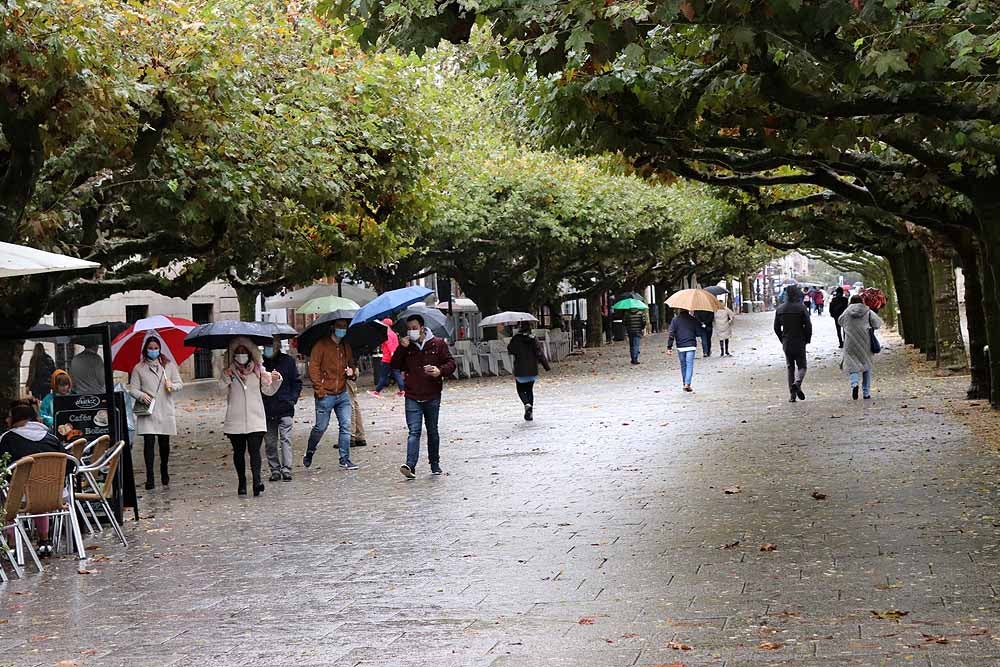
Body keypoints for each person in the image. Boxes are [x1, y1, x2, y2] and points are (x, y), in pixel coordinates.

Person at [391, 313, 456, 479]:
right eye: (409, 329)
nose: (411, 331)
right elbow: (395, 365)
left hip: (432, 394)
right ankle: (410, 466)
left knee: (432, 431)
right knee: (414, 431)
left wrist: (440, 371)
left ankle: (434, 463)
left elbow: (451, 363)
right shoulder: (408, 347)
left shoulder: (438, 343)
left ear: (422, 328)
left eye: (414, 328)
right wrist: (401, 348)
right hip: (413, 394)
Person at [0, 400, 66, 556]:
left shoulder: (7, 439)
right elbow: (70, 465)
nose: (6, 420)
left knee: (6, 495)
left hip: (20, 498)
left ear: (19, 419)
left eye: (10, 417)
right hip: (56, 496)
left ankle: (12, 543)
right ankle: (44, 540)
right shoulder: (52, 438)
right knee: (40, 491)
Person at [220, 337, 282, 496]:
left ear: (250, 353)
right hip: (236, 419)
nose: (241, 355)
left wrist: (276, 380)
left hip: (255, 418)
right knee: (238, 453)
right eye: (238, 352)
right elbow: (220, 389)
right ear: (233, 355)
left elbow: (268, 390)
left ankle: (257, 481)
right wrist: (226, 376)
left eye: (244, 352)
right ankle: (242, 482)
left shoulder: (259, 371)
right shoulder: (229, 371)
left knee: (255, 451)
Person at [128, 335, 183, 490]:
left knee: (164, 444)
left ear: (160, 349)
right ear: (146, 349)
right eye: (150, 348)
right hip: (148, 411)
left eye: (156, 348)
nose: (153, 351)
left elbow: (180, 384)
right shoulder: (139, 368)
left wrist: (171, 385)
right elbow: (132, 388)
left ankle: (164, 471)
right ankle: (150, 477)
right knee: (149, 444)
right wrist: (141, 395)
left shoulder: (169, 366)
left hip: (165, 409)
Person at [303, 318, 358, 470]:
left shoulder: (346, 346)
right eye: (340, 327)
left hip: (342, 393)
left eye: (345, 327)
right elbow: (313, 368)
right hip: (325, 394)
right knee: (320, 427)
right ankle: (310, 451)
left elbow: (352, 367)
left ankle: (344, 458)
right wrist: (319, 389)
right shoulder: (321, 346)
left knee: (346, 425)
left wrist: (352, 373)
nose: (343, 330)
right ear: (333, 327)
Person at [262, 337, 302, 482]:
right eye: (266, 345)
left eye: (271, 345)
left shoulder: (288, 361)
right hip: (267, 409)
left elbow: (296, 382)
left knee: (286, 439)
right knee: (270, 442)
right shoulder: (260, 364)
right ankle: (275, 470)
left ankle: (286, 469)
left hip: (285, 406)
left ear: (278, 346)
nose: (268, 348)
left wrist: (292, 399)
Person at [839, 295, 883, 400]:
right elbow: (877, 324)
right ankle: (866, 393)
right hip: (865, 341)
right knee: (866, 365)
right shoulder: (867, 311)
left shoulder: (846, 312)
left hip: (850, 342)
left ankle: (854, 384)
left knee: (852, 364)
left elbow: (840, 321)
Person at [774, 284, 812, 403]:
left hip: (787, 341)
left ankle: (792, 395)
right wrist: (807, 338)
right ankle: (798, 382)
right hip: (799, 340)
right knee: (802, 366)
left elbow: (776, 328)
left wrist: (782, 339)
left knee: (790, 367)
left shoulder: (780, 309)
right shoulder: (801, 308)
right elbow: (808, 325)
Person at [507, 322, 551, 420]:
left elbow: (510, 350)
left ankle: (526, 404)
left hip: (520, 368)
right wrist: (546, 366)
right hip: (532, 369)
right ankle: (530, 412)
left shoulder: (516, 339)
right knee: (529, 390)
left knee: (520, 390)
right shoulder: (533, 339)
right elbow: (539, 353)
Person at [666, 310, 702, 392]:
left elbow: (671, 334)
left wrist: (669, 347)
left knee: (683, 365)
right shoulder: (693, 319)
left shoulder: (675, 320)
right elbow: (698, 333)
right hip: (691, 345)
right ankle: (687, 383)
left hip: (680, 346)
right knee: (689, 365)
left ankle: (684, 383)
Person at [369, 318, 405, 397]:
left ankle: (377, 391)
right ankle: (403, 390)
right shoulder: (393, 334)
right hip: (394, 357)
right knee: (397, 374)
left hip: (387, 358)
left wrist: (392, 355)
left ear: (386, 325)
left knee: (383, 376)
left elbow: (390, 346)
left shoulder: (387, 334)